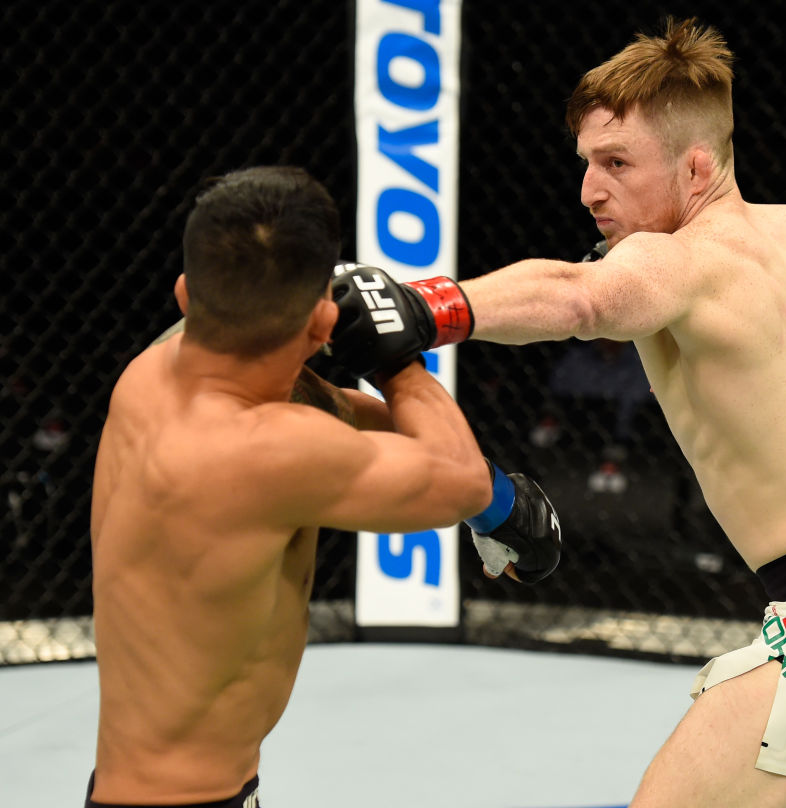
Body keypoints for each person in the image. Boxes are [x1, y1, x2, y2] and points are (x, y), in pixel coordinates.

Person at [330, 18, 786, 808]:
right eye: (586, 164)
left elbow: (582, 296)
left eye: (617, 163)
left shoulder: (678, 260)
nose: (590, 190)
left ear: (697, 166)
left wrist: (424, 306)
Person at [87, 166, 560, 807]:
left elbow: (369, 423)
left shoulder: (161, 373)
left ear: (184, 294)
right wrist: (396, 356)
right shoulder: (264, 452)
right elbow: (454, 479)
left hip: (183, 788)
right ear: (319, 327)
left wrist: (496, 499)